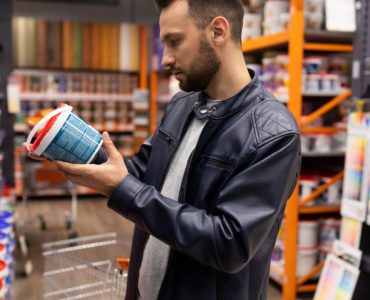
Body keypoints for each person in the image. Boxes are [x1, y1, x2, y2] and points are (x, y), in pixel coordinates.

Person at [27, 0, 301, 299]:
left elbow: (229, 244)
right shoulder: (182, 105)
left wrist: (125, 191)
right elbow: (143, 173)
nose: (165, 59)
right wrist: (70, 145)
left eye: (175, 41)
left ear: (218, 31)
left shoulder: (273, 133)